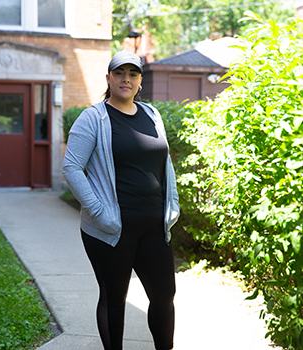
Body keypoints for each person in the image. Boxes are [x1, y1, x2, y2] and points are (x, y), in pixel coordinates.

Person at [62, 50, 180, 350]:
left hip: (154, 226)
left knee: (165, 295)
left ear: (140, 80)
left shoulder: (152, 115)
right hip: (112, 230)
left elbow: (165, 164)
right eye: (120, 73)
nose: (126, 79)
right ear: (109, 78)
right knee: (115, 298)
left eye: (133, 74)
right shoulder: (94, 118)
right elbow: (72, 168)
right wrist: (100, 213)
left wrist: (173, 205)